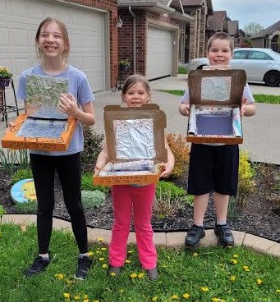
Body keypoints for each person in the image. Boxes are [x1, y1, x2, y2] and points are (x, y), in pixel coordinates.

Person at [17, 17, 95, 279]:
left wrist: (74, 111)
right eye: (45, 35)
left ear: (65, 43)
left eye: (56, 36)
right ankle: (42, 255)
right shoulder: (28, 77)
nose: (50, 40)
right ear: (38, 41)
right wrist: (16, 125)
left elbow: (91, 118)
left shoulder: (77, 77)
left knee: (74, 203)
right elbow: (28, 114)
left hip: (68, 151)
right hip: (40, 152)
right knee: (45, 205)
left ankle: (84, 256)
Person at [94, 75, 175, 280]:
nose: (135, 97)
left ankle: (149, 262)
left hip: (145, 182)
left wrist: (170, 163)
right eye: (131, 93)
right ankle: (115, 261)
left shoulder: (153, 120)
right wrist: (100, 163)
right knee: (121, 222)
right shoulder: (117, 122)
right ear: (124, 96)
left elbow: (165, 148)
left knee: (143, 223)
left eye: (140, 92)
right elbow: (107, 150)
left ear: (148, 96)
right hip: (120, 182)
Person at [179, 32, 256, 248]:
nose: (219, 55)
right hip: (201, 141)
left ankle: (221, 224)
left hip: (228, 142)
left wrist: (244, 108)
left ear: (231, 54)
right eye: (215, 50)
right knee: (201, 185)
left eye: (224, 51)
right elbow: (183, 104)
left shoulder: (238, 79)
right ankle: (197, 226)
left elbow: (252, 108)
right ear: (207, 53)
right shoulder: (198, 77)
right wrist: (185, 109)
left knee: (224, 184)